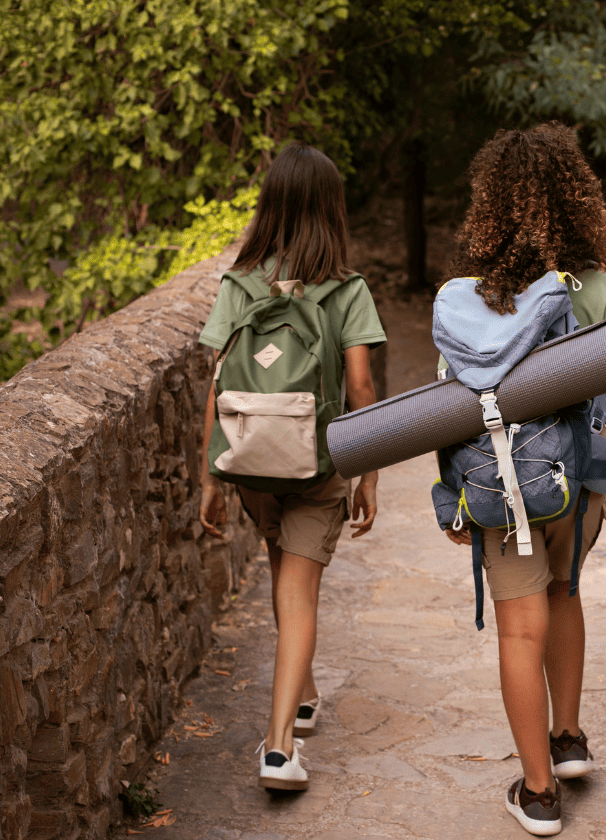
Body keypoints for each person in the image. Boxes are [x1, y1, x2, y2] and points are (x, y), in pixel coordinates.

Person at [442, 124, 606, 836]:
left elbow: (447, 410)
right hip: (580, 489)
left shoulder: (472, 300)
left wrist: (454, 500)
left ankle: (538, 793)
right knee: (565, 594)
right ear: (578, 199)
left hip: (504, 491)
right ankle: (568, 739)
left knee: (518, 630)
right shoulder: (596, 289)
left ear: (490, 207)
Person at [197, 143, 385, 791]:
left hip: (251, 464)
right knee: (300, 590)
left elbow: (217, 383)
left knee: (283, 573)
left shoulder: (237, 283)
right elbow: (361, 387)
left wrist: (211, 478)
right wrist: (369, 473)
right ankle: (278, 747)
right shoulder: (347, 290)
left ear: (269, 206)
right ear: (332, 211)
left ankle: (301, 694)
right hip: (318, 463)